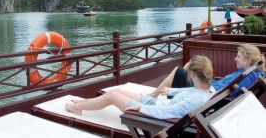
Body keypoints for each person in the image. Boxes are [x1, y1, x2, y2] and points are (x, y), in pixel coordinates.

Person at [65, 55, 214, 119]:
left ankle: (80, 108)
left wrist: (140, 108)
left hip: (155, 111)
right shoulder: (207, 90)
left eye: (188, 72)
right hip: (157, 104)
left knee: (111, 96)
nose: (186, 74)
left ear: (193, 74)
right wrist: (170, 90)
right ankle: (84, 102)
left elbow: (169, 112)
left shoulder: (195, 100)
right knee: (116, 91)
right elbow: (189, 91)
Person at [149, 43, 265, 98]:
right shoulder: (251, 73)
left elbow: (221, 92)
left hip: (206, 93)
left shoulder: (246, 77)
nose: (235, 59)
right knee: (189, 66)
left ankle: (154, 95)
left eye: (238, 56)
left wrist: (206, 84)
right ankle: (173, 96)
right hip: (210, 88)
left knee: (178, 71)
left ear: (249, 60)